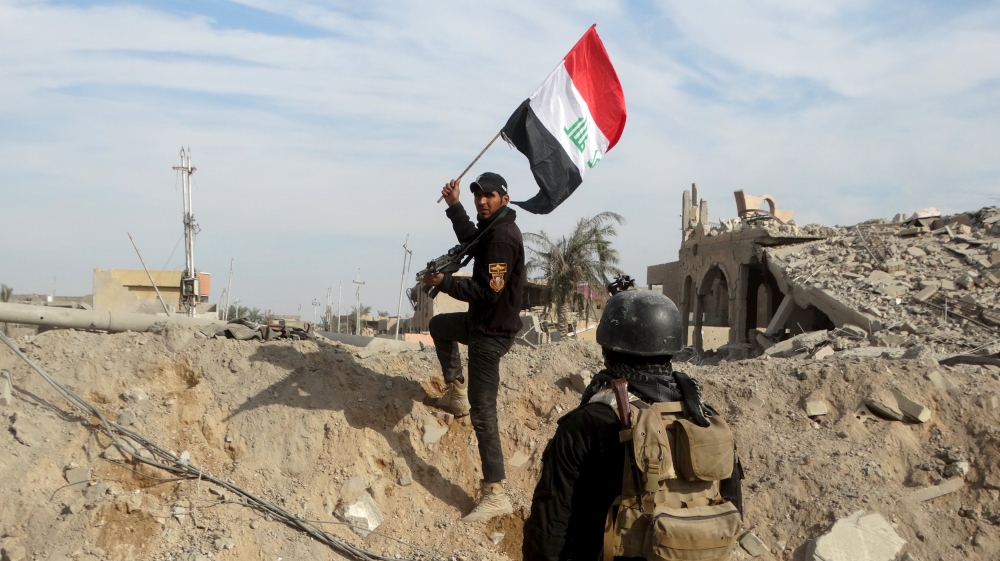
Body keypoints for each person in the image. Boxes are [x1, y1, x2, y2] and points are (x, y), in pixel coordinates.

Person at [522, 289, 743, 561]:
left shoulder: (587, 424)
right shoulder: (707, 420)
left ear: (607, 349)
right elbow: (733, 510)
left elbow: (549, 530)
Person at [421, 172, 525, 523]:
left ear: (504, 199)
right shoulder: (491, 227)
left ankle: (495, 492)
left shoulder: (502, 239)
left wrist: (445, 283)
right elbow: (470, 239)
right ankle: (455, 391)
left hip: (491, 334)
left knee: (483, 413)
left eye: (489, 196)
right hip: (480, 323)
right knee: (439, 326)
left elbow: (488, 292)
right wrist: (454, 206)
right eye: (478, 195)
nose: (482, 201)